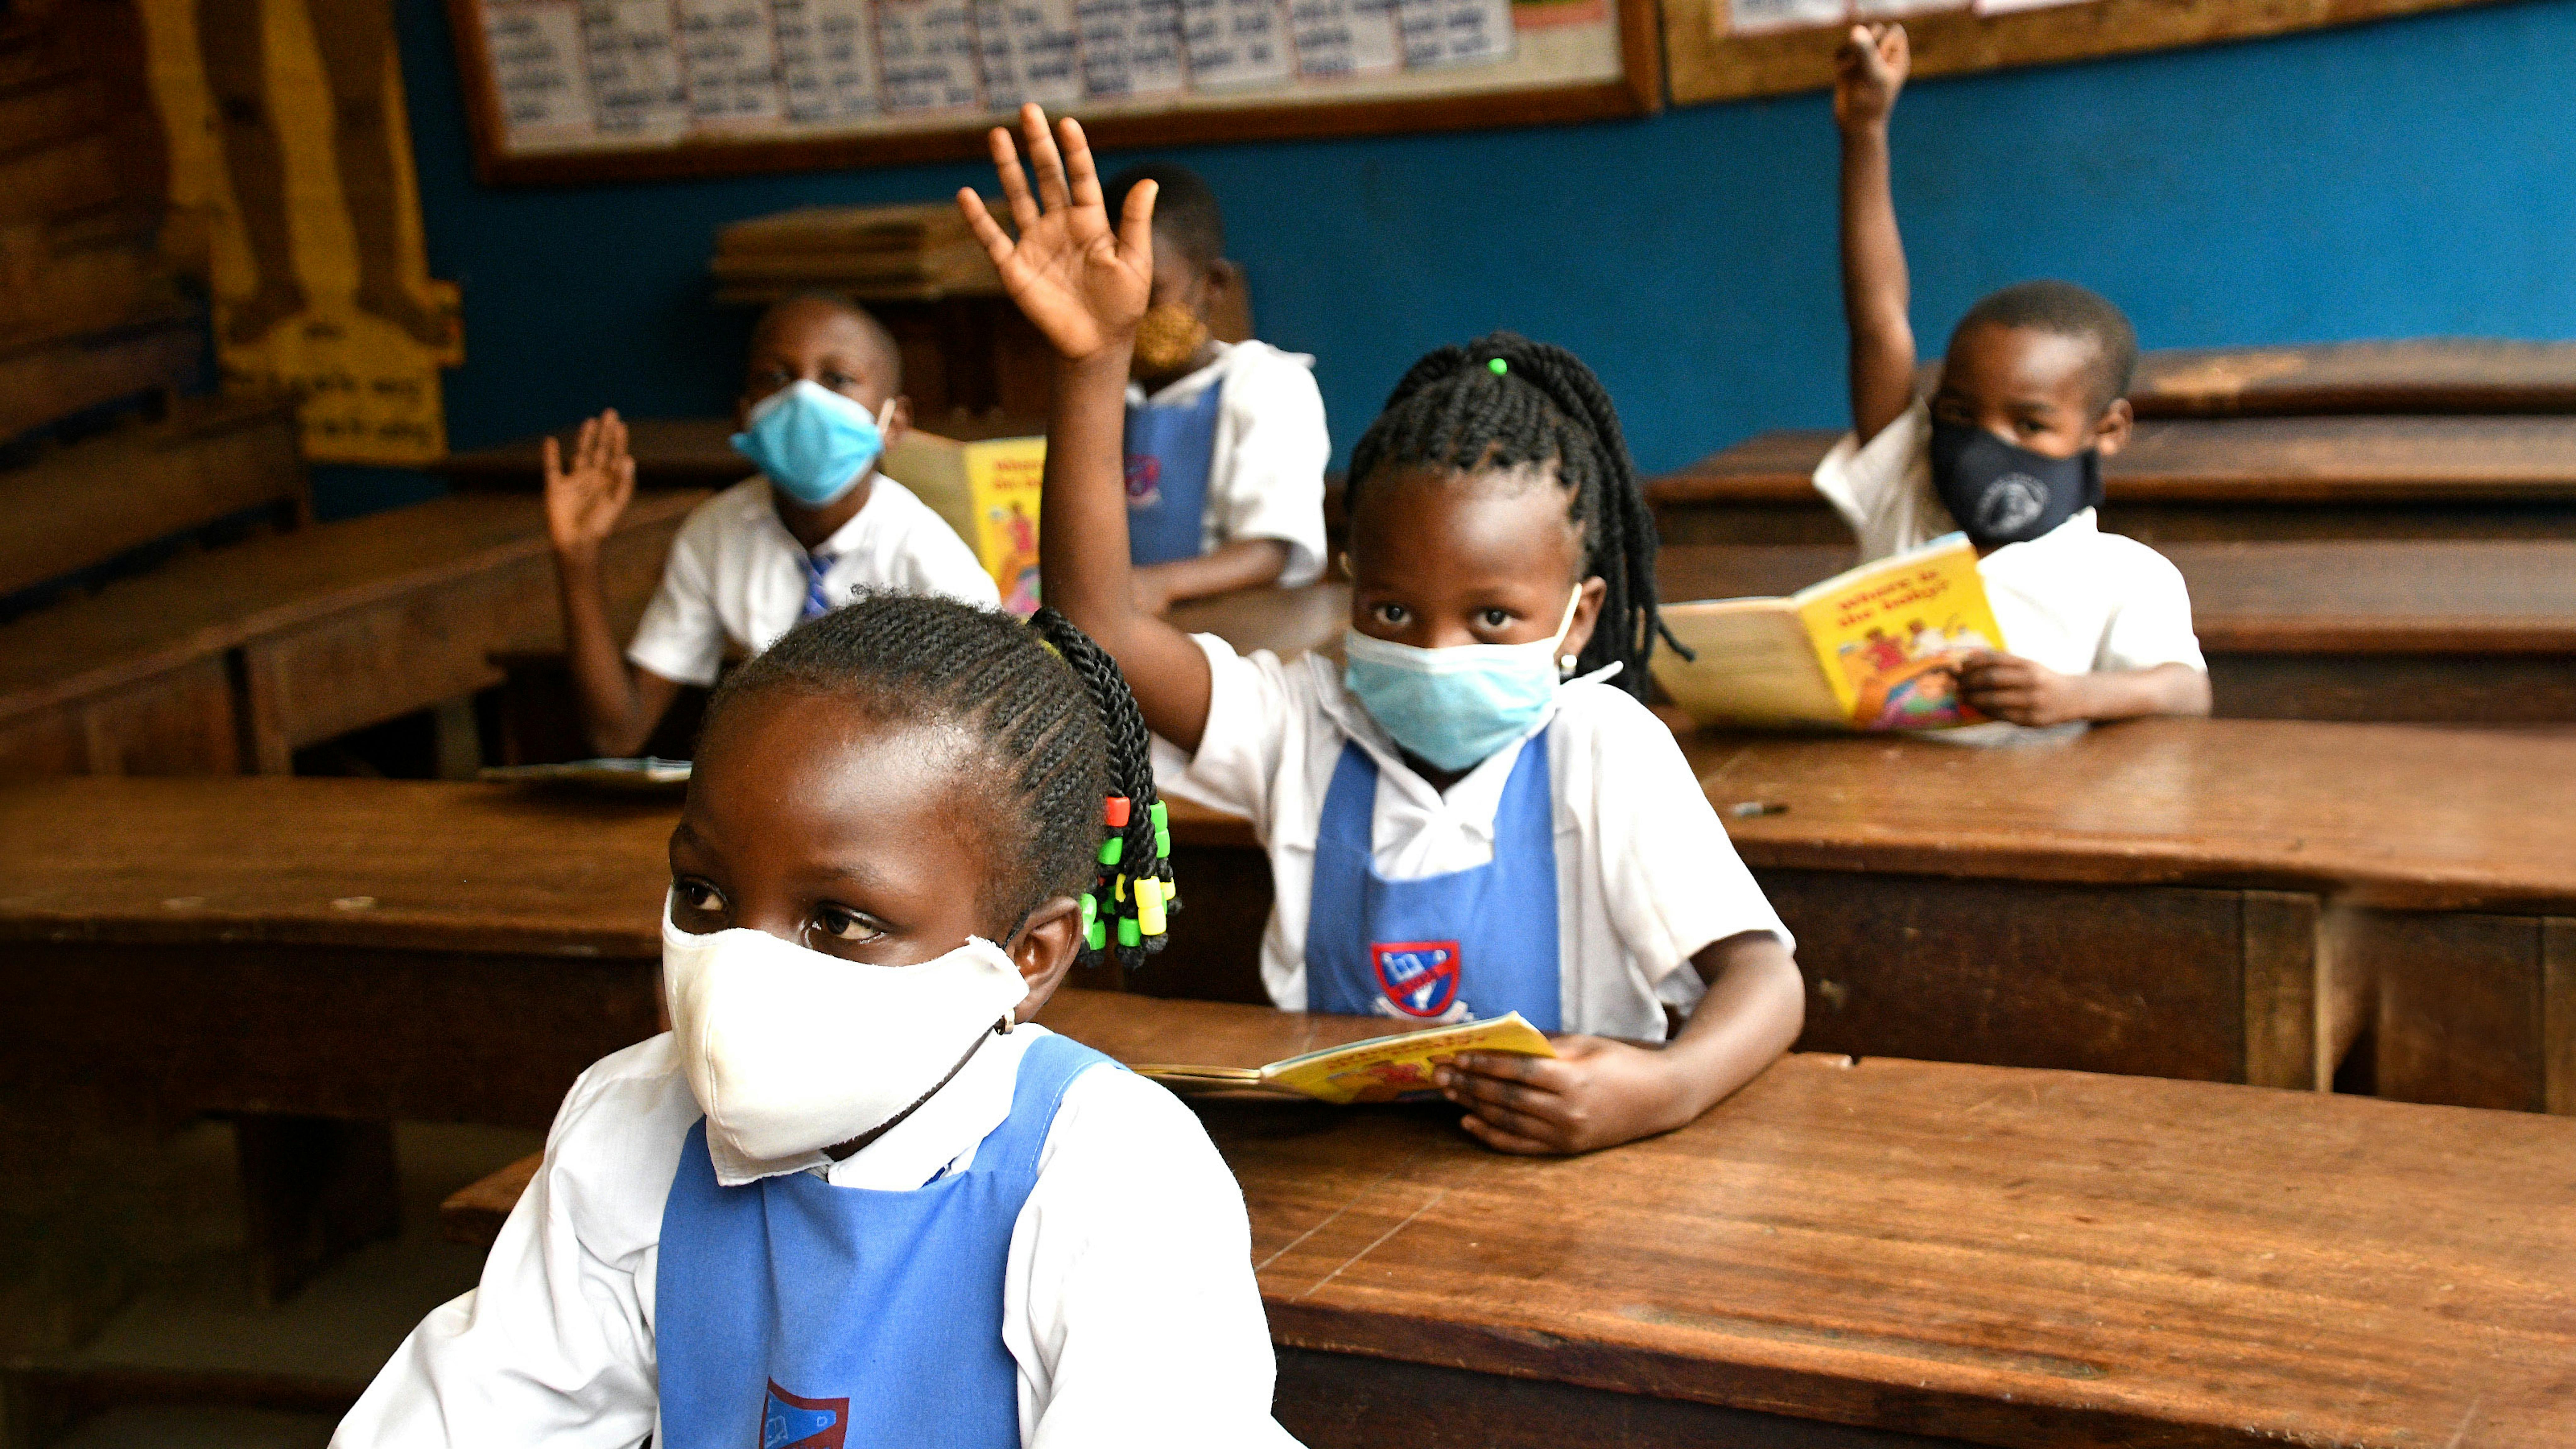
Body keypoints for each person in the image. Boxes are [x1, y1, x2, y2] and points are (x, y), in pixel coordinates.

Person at [958, 104, 1804, 1157]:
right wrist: (1094, 364)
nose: (1437, 649)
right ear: (1350, 586)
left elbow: (1765, 975)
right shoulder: (1305, 725)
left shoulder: (1606, 750)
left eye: (1494, 617)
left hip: (1573, 1172)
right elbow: (1099, 630)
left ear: (1578, 618)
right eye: (1394, 611)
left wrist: (1665, 1085)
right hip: (1335, 1170)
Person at [332, 595, 1296, 1448]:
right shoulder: (631, 1124)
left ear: (1028, 957)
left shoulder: (1113, 1176)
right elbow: (478, 1410)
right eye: (704, 894)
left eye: (838, 921)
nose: (738, 966)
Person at [1823, 23, 2211, 730]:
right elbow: (1878, 321)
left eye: (2029, 424)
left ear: (2109, 430)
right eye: (1961, 415)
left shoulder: (2123, 575)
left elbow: (2189, 694)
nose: (1983, 447)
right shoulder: (1905, 501)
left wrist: (2075, 697)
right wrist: (1866, 132)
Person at [545, 293, 998, 757]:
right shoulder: (716, 535)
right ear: (744, 414)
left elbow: (990, 729)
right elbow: (619, 733)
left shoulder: (925, 553)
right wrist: (578, 558)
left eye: (837, 379)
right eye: (777, 378)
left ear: (894, 423)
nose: (802, 398)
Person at [1101, 162, 1329, 614]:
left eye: (1149, 293)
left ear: (1213, 285)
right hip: (1124, 628)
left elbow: (1270, 549)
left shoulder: (1269, 385)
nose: (1128, 312)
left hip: (1232, 630)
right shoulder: (1106, 398)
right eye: (1110, 293)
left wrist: (1152, 588)